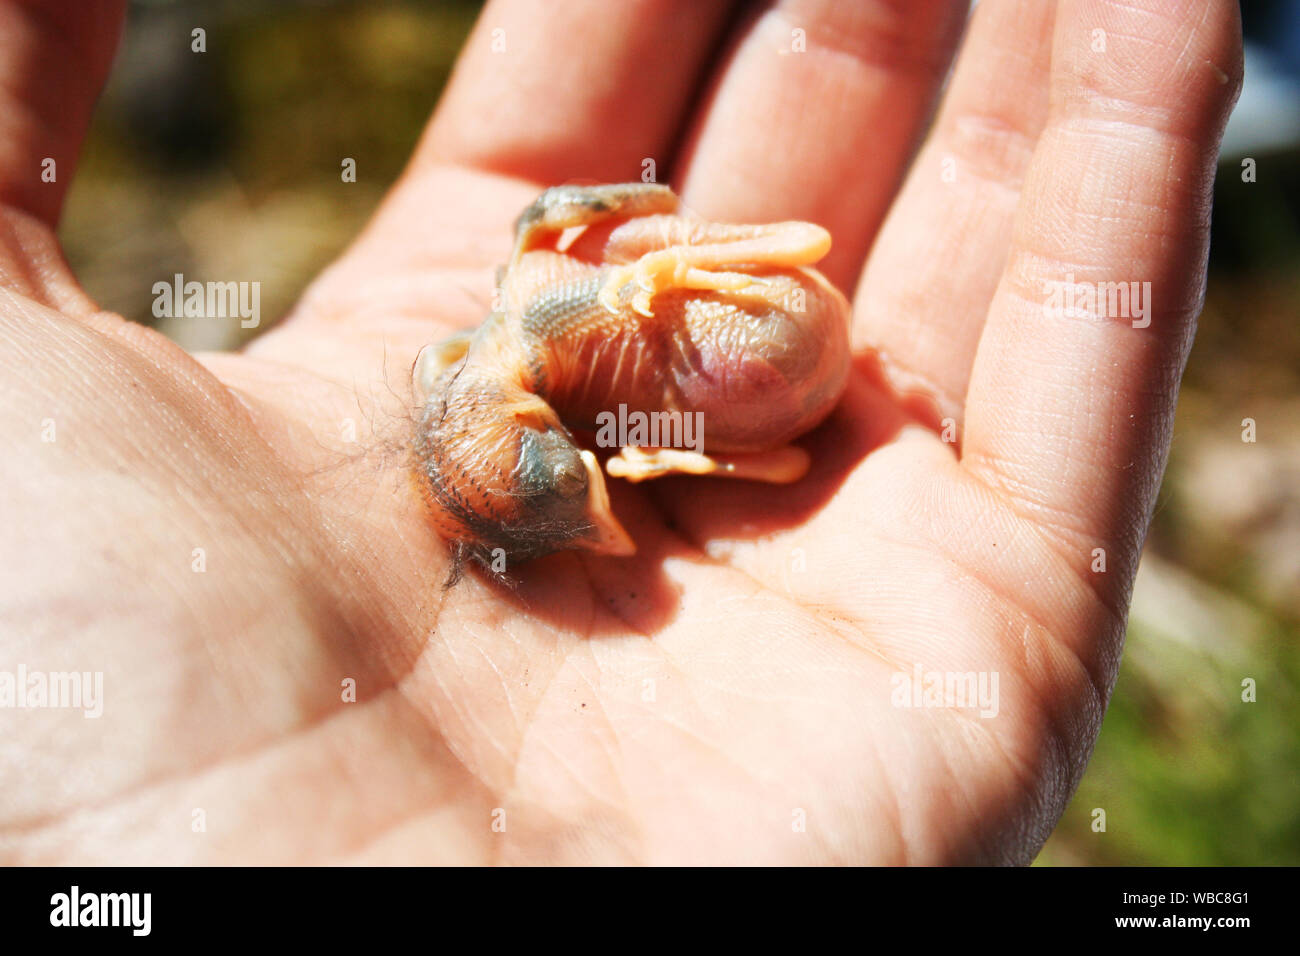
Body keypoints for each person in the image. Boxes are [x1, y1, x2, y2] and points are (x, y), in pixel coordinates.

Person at [1, 0, 1242, 864]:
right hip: (734, 370)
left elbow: (588, 225)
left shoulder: (540, 304)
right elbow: (601, 281)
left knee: (659, 314)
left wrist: (652, 276)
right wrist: (638, 408)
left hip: (726, 348)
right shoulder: (561, 362)